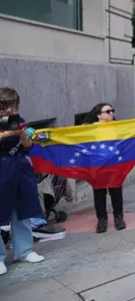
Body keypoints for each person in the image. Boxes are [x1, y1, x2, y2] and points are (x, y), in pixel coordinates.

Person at [0, 87, 45, 276]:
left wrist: (25, 136)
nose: (10, 110)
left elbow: (27, 146)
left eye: (13, 106)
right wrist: (6, 135)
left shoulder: (18, 121)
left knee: (22, 210)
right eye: (6, 106)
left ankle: (24, 251)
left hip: (19, 167)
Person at [83, 103, 126, 233]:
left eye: (112, 110)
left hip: (114, 165)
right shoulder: (89, 129)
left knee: (116, 192)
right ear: (98, 115)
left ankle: (118, 218)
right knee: (99, 194)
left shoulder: (117, 127)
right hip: (97, 166)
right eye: (107, 111)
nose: (111, 113)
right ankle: (102, 219)